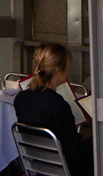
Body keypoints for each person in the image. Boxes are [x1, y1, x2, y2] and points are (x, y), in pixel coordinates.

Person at [13, 42, 93, 176]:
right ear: (58, 69)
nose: (68, 71)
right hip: (65, 170)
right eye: (67, 67)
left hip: (39, 167)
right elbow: (77, 154)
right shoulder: (58, 106)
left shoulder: (21, 99)